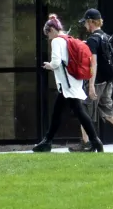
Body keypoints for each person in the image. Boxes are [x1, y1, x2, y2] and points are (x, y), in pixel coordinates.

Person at [70, 9, 113, 153]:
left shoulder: (92, 40)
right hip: (108, 81)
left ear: (90, 22)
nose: (85, 26)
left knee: (84, 111)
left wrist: (91, 86)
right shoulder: (106, 37)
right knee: (107, 109)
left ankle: (86, 144)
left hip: (97, 81)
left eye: (86, 23)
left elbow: (93, 63)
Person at [33, 14, 104, 153]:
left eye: (47, 34)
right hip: (73, 81)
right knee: (58, 112)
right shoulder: (68, 38)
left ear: (52, 30)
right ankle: (47, 141)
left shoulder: (57, 41)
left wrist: (48, 65)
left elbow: (56, 62)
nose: (48, 37)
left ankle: (95, 141)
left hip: (67, 84)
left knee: (79, 112)